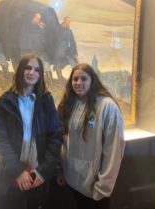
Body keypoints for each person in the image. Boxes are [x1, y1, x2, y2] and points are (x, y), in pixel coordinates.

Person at [0, 53, 63, 209]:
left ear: (40, 75)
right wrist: (18, 171)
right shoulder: (4, 102)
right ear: (20, 70)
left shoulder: (46, 100)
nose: (32, 73)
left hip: (38, 174)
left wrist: (42, 172)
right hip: (11, 174)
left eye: (37, 70)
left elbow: (55, 137)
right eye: (28, 68)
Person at [57, 63, 125, 209]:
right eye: (75, 79)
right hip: (72, 181)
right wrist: (61, 169)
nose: (78, 83)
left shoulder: (107, 106)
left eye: (83, 79)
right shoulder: (69, 104)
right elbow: (64, 141)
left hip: (94, 188)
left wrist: (103, 187)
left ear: (92, 81)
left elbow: (114, 150)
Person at [20, 12, 52, 80]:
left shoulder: (38, 26)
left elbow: (42, 39)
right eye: (37, 18)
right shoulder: (27, 25)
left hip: (36, 49)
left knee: (45, 61)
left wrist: (42, 29)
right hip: (27, 49)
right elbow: (27, 38)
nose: (38, 20)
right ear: (33, 17)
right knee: (27, 65)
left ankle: (49, 77)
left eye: (39, 19)